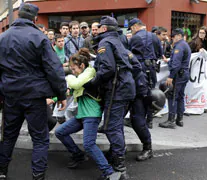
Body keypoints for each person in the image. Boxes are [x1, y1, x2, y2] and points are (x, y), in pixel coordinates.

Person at [0, 3, 67, 180]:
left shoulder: (3, 37)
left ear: (18, 15)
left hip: (11, 95)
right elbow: (54, 70)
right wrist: (61, 94)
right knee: (40, 138)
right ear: (34, 19)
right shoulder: (40, 38)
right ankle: (38, 176)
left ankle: (1, 171)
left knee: (8, 136)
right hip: (34, 96)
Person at [55, 48, 121, 180]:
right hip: (82, 115)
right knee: (60, 132)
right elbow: (69, 91)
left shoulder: (89, 72)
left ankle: (109, 172)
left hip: (91, 114)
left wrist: (69, 77)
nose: (73, 72)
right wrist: (53, 99)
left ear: (82, 65)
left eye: (74, 69)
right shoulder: (81, 75)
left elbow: (75, 83)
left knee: (89, 144)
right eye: (71, 70)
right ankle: (78, 155)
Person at [84, 16, 135, 180]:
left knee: (112, 127)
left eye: (99, 27)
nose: (97, 29)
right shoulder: (118, 40)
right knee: (117, 125)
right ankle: (116, 156)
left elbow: (107, 68)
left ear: (104, 29)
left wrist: (93, 83)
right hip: (124, 88)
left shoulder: (105, 43)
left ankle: (120, 169)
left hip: (117, 90)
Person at [128, 18, 163, 129]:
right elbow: (159, 53)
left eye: (131, 29)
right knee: (151, 93)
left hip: (139, 69)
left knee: (138, 94)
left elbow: (129, 55)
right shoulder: (154, 37)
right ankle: (150, 121)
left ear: (134, 26)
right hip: (151, 68)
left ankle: (138, 120)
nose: (131, 31)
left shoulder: (134, 38)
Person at [159, 28, 191, 129]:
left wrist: (171, 76)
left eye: (173, 36)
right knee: (180, 96)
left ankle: (171, 120)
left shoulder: (179, 46)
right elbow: (178, 61)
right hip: (184, 74)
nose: (172, 39)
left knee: (172, 96)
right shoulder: (185, 45)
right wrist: (168, 61)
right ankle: (179, 119)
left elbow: (176, 64)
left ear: (178, 36)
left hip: (178, 75)